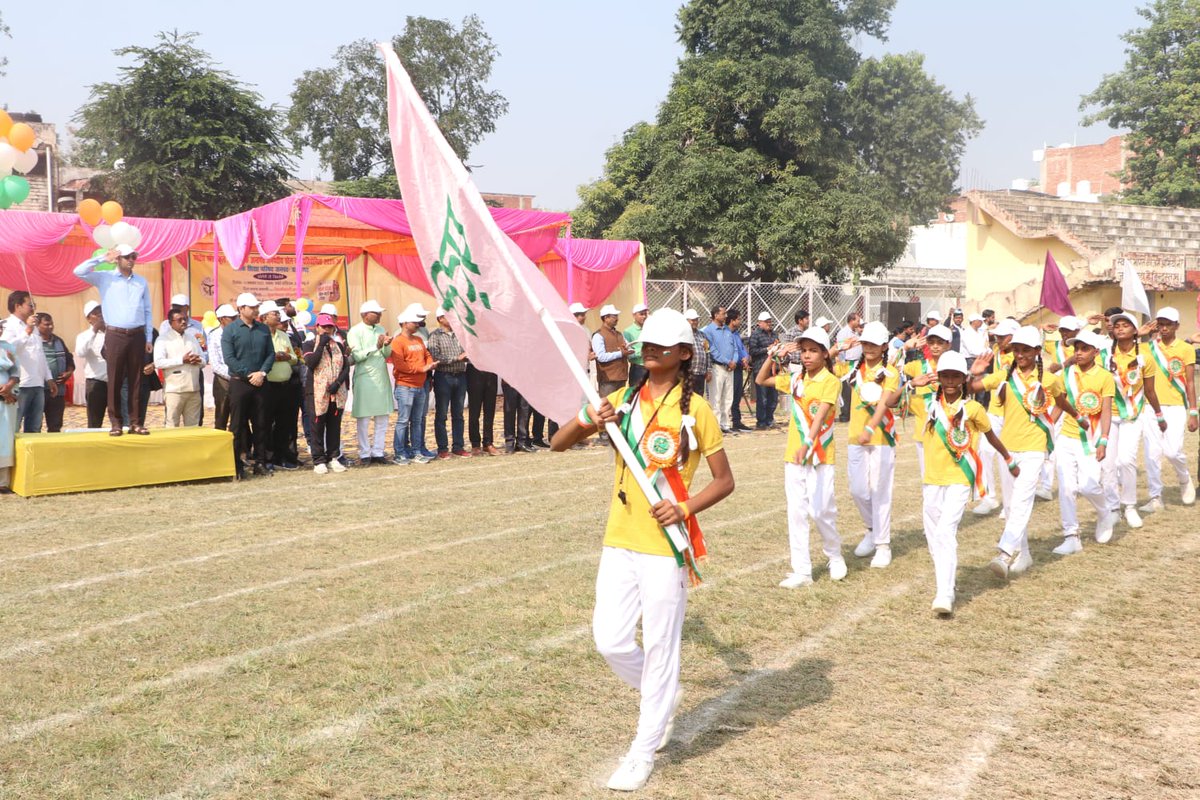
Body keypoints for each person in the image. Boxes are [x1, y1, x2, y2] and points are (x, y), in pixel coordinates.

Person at [550, 308, 733, 793]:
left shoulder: (696, 410)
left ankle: (643, 751)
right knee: (609, 640)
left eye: (661, 346)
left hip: (664, 546)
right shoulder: (621, 400)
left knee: (661, 647)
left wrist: (684, 508)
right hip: (619, 539)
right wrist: (588, 419)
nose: (649, 351)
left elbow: (724, 481)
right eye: (646, 344)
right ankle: (663, 694)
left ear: (684, 354)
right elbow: (557, 443)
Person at [969, 326, 1078, 579]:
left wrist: (1076, 417)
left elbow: (1061, 401)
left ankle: (1004, 553)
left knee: (1021, 500)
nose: (1020, 355)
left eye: (1026, 350)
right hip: (1008, 448)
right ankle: (1024, 553)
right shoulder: (1003, 377)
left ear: (1037, 351)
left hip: (1034, 448)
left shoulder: (1049, 379)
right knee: (1011, 505)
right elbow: (970, 389)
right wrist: (973, 373)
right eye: (1016, 350)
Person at [921, 351, 1014, 615]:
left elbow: (991, 436)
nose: (950, 381)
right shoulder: (929, 404)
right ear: (939, 378)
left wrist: (1008, 457)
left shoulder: (973, 409)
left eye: (956, 376)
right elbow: (890, 401)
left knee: (945, 532)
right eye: (945, 376)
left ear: (963, 379)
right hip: (932, 480)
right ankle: (946, 579)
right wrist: (912, 384)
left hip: (960, 479)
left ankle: (944, 593)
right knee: (934, 538)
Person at [757, 327, 845, 587]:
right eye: (804, 350)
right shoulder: (795, 378)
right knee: (796, 512)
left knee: (821, 510)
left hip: (820, 454)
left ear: (825, 354)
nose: (807, 356)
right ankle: (802, 571)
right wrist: (772, 356)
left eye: (813, 351)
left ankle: (834, 555)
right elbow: (761, 380)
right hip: (794, 455)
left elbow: (821, 415)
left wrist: (808, 443)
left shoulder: (831, 381)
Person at [837, 321, 901, 568]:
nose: (869, 348)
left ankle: (883, 545)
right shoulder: (854, 369)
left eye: (874, 344)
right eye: (865, 343)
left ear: (884, 346)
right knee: (857, 490)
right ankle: (872, 529)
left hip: (880, 437)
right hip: (856, 437)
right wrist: (839, 347)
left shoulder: (890, 372)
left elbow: (885, 402)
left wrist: (870, 428)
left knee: (879, 491)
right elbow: (826, 364)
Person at [73, 245, 152, 435]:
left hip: (137, 333)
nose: (131, 260)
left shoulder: (141, 282)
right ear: (118, 259)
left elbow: (147, 310)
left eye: (133, 256)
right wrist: (102, 258)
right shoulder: (105, 277)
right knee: (114, 379)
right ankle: (116, 423)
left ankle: (135, 422)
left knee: (136, 379)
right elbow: (78, 271)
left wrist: (149, 337)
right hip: (115, 334)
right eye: (127, 257)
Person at [1051, 330, 1116, 555]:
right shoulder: (1067, 373)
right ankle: (1071, 536)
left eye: (1084, 349)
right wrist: (1048, 429)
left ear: (1095, 352)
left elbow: (1106, 411)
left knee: (1088, 486)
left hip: (1091, 439)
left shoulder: (1105, 377)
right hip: (1067, 437)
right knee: (1067, 487)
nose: (1078, 353)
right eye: (1076, 348)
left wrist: (1103, 440)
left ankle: (1104, 512)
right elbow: (1060, 404)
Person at [1104, 311, 1165, 528]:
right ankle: (1113, 508)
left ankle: (1129, 505)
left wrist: (1159, 414)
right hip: (1108, 415)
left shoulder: (1145, 357)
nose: (1120, 328)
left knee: (1126, 460)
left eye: (1125, 325)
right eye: (1116, 325)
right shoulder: (1104, 354)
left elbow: (1150, 390)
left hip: (1132, 414)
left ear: (1134, 330)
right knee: (1108, 464)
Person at [1140, 307, 1197, 510]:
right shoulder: (1146, 348)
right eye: (1161, 324)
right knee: (1152, 453)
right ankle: (1155, 497)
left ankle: (1184, 478)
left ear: (1176, 326)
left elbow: (1190, 382)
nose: (1164, 328)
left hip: (1175, 406)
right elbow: (1120, 351)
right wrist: (1139, 334)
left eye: (1168, 324)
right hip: (1150, 406)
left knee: (1172, 451)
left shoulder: (1186, 349)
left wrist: (1193, 412)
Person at [224, 293, 275, 478]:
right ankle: (236, 465)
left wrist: (262, 373)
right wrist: (248, 374)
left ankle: (260, 463)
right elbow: (229, 358)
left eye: (256, 307)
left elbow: (270, 354)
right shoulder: (230, 330)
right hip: (239, 384)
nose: (255, 310)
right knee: (237, 426)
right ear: (241, 309)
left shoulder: (263, 329)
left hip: (261, 382)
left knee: (261, 424)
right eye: (252, 307)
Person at [972, 318, 1019, 514]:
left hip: (1013, 413)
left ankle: (1011, 501)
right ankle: (989, 497)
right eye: (997, 336)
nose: (998, 340)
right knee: (984, 450)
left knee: (1007, 457)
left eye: (1003, 336)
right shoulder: (997, 350)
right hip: (994, 410)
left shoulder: (1021, 355)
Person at [901, 324, 952, 481]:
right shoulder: (919, 365)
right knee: (927, 477)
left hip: (948, 429)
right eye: (931, 342)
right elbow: (890, 368)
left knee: (948, 475)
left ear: (948, 345)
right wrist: (905, 348)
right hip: (923, 429)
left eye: (940, 343)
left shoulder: (954, 366)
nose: (935, 346)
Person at [302, 313, 350, 475]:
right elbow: (311, 363)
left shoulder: (338, 346)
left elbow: (346, 366)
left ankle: (333, 457)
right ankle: (319, 460)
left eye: (330, 327)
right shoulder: (309, 345)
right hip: (316, 392)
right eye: (324, 327)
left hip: (336, 392)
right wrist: (321, 344)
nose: (327, 330)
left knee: (334, 425)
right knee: (317, 425)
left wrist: (338, 383)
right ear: (317, 327)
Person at [349, 300, 393, 466]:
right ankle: (365, 453)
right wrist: (376, 346)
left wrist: (386, 345)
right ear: (365, 315)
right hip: (364, 377)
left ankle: (378, 452)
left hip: (381, 376)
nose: (380, 315)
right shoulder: (355, 331)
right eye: (376, 313)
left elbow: (386, 354)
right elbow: (357, 356)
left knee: (382, 417)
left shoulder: (381, 329)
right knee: (364, 419)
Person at [390, 308, 437, 464]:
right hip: (405, 386)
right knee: (403, 420)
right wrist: (422, 369)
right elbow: (400, 365)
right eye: (414, 322)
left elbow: (427, 355)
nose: (418, 324)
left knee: (417, 420)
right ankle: (399, 453)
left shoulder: (418, 340)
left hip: (419, 386)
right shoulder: (397, 341)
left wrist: (429, 364)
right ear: (404, 323)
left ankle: (416, 451)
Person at [2, 291, 53, 433]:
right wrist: (27, 331)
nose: (34, 307)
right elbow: (7, 350)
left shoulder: (34, 327)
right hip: (20, 384)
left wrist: (49, 378)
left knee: (35, 427)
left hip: (37, 383)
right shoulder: (7, 325)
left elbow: (40, 354)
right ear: (18, 306)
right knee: (14, 425)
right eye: (30, 304)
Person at [259, 301, 300, 470]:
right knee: (266, 423)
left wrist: (287, 357)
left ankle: (281, 457)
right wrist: (273, 358)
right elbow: (257, 358)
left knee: (284, 423)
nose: (278, 316)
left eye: (278, 313)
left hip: (286, 385)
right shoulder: (259, 335)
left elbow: (295, 358)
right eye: (274, 313)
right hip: (267, 385)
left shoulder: (284, 335)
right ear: (264, 317)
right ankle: (266, 459)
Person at [427, 310, 471, 458]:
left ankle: (458, 446)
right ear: (440, 318)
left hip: (460, 376)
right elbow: (436, 357)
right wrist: (457, 358)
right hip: (443, 377)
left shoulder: (460, 334)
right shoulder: (435, 336)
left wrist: (466, 357)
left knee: (458, 414)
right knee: (441, 414)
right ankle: (442, 448)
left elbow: (467, 351)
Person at [153, 307, 206, 427]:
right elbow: (158, 362)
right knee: (172, 425)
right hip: (174, 390)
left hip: (193, 389)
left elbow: (204, 361)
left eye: (185, 319)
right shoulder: (163, 340)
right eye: (179, 320)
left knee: (193, 426)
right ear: (170, 323)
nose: (183, 322)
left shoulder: (192, 338)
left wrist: (198, 360)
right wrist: (181, 360)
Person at [702, 306, 739, 432]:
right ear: (716, 315)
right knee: (716, 398)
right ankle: (715, 425)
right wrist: (727, 361)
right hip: (717, 367)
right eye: (723, 314)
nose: (725, 316)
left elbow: (734, 348)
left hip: (730, 369)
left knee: (728, 398)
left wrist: (734, 361)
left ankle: (725, 424)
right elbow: (712, 350)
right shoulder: (708, 331)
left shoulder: (728, 330)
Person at [36, 313, 74, 432]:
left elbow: (69, 360)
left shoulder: (58, 341)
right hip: (38, 390)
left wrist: (69, 372)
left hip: (57, 390)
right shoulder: (32, 341)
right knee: (35, 424)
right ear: (37, 325)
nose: (51, 327)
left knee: (55, 425)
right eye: (47, 324)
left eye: (52, 324)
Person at [75, 301, 109, 429]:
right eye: (95, 313)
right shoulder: (83, 336)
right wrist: (94, 330)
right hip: (96, 383)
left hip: (116, 382)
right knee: (95, 422)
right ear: (89, 319)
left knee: (119, 420)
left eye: (101, 311)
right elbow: (80, 352)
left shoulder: (114, 333)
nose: (100, 315)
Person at [207, 304, 237, 431]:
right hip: (223, 380)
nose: (235, 320)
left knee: (239, 416)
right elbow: (215, 364)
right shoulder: (214, 335)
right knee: (221, 415)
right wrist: (233, 375)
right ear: (221, 319)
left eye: (235, 317)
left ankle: (239, 442)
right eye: (231, 318)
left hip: (240, 378)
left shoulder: (239, 332)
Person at [747, 312, 779, 429]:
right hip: (760, 369)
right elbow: (752, 351)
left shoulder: (774, 334)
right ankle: (761, 422)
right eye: (766, 322)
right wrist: (767, 349)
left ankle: (770, 419)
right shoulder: (756, 335)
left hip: (773, 369)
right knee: (762, 397)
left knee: (773, 397)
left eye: (770, 321)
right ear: (760, 323)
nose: (769, 323)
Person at [593, 304, 631, 400]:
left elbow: (628, 346)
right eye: (614, 316)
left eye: (617, 316)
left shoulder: (619, 334)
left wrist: (629, 350)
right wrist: (621, 353)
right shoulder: (598, 335)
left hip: (621, 377)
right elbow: (601, 357)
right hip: (608, 380)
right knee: (607, 405)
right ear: (606, 318)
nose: (617, 319)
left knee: (619, 405)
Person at [835, 313, 864, 423]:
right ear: (851, 321)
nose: (859, 323)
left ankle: (853, 413)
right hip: (847, 364)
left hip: (857, 363)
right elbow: (839, 348)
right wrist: (842, 364)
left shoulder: (856, 332)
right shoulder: (843, 333)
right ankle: (845, 414)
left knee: (856, 389)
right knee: (846, 391)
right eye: (857, 320)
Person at [727, 309, 752, 432]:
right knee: (729, 396)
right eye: (738, 319)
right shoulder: (726, 333)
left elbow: (742, 349)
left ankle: (737, 421)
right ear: (732, 321)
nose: (740, 321)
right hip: (729, 368)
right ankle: (726, 422)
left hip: (738, 368)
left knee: (737, 395)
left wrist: (746, 358)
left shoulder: (736, 334)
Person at [0, 338, 18, 488]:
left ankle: (2, 482)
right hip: (4, 395)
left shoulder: (8, 347)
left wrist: (9, 387)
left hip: (6, 400)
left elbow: (16, 372)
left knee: (5, 439)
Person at [624, 303, 650, 387]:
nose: (644, 316)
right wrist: (643, 351)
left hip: (651, 367)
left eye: (645, 314)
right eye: (641, 314)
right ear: (634, 315)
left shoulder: (650, 329)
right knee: (636, 392)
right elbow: (629, 354)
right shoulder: (628, 332)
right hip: (638, 368)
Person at [685, 309, 709, 396]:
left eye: (696, 320)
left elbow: (707, 352)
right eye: (693, 320)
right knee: (688, 397)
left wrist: (708, 369)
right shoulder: (683, 335)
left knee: (699, 397)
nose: (695, 322)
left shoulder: (702, 335)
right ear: (686, 321)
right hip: (689, 373)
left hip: (701, 374)